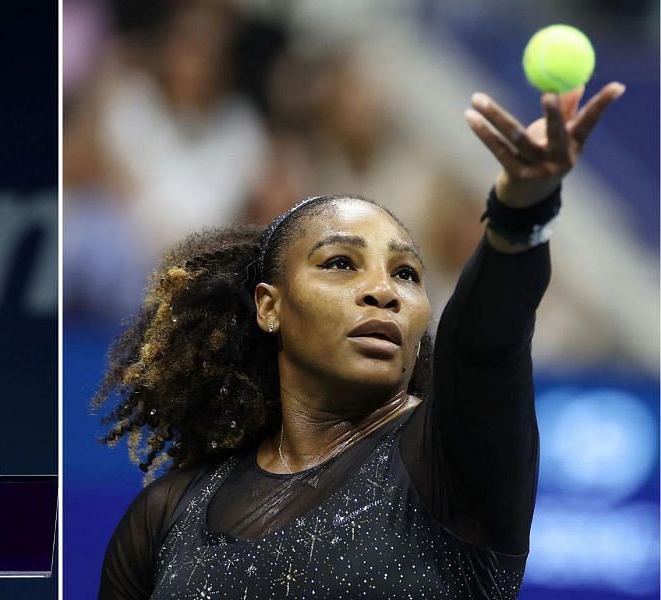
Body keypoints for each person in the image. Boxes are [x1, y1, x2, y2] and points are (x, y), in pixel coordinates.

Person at [95, 81, 624, 598]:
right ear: (269, 306)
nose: (382, 291)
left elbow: (485, 343)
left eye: (407, 275)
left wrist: (521, 213)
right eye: (341, 263)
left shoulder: (450, 460)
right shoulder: (165, 514)